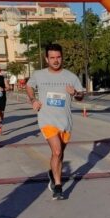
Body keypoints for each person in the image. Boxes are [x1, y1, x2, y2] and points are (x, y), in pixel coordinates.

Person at [26, 43, 85, 200]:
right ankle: (58, 187)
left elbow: (81, 96)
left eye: (58, 57)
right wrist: (33, 100)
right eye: (52, 57)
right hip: (47, 119)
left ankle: (53, 173)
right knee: (57, 151)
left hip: (65, 122)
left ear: (62, 57)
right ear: (46, 59)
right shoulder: (39, 75)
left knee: (59, 154)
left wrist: (75, 93)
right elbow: (29, 87)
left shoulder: (71, 77)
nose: (56, 60)